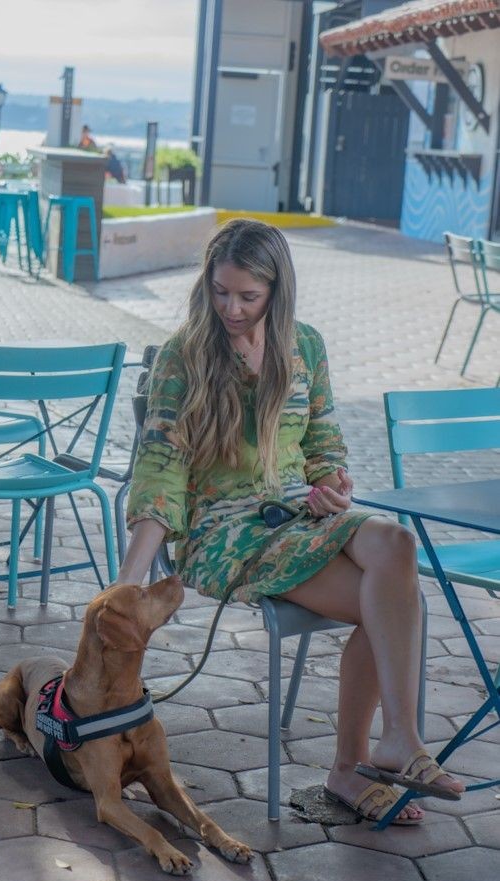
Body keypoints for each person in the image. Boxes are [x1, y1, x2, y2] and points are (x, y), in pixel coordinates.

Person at [117, 218, 464, 826]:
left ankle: (397, 740)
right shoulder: (185, 354)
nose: (231, 307)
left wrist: (331, 485)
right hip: (224, 532)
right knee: (385, 604)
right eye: (221, 291)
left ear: (278, 291)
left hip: (297, 513)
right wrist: (129, 583)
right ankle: (353, 769)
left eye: (248, 297)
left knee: (396, 544)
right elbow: (161, 467)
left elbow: (325, 443)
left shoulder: (304, 346)